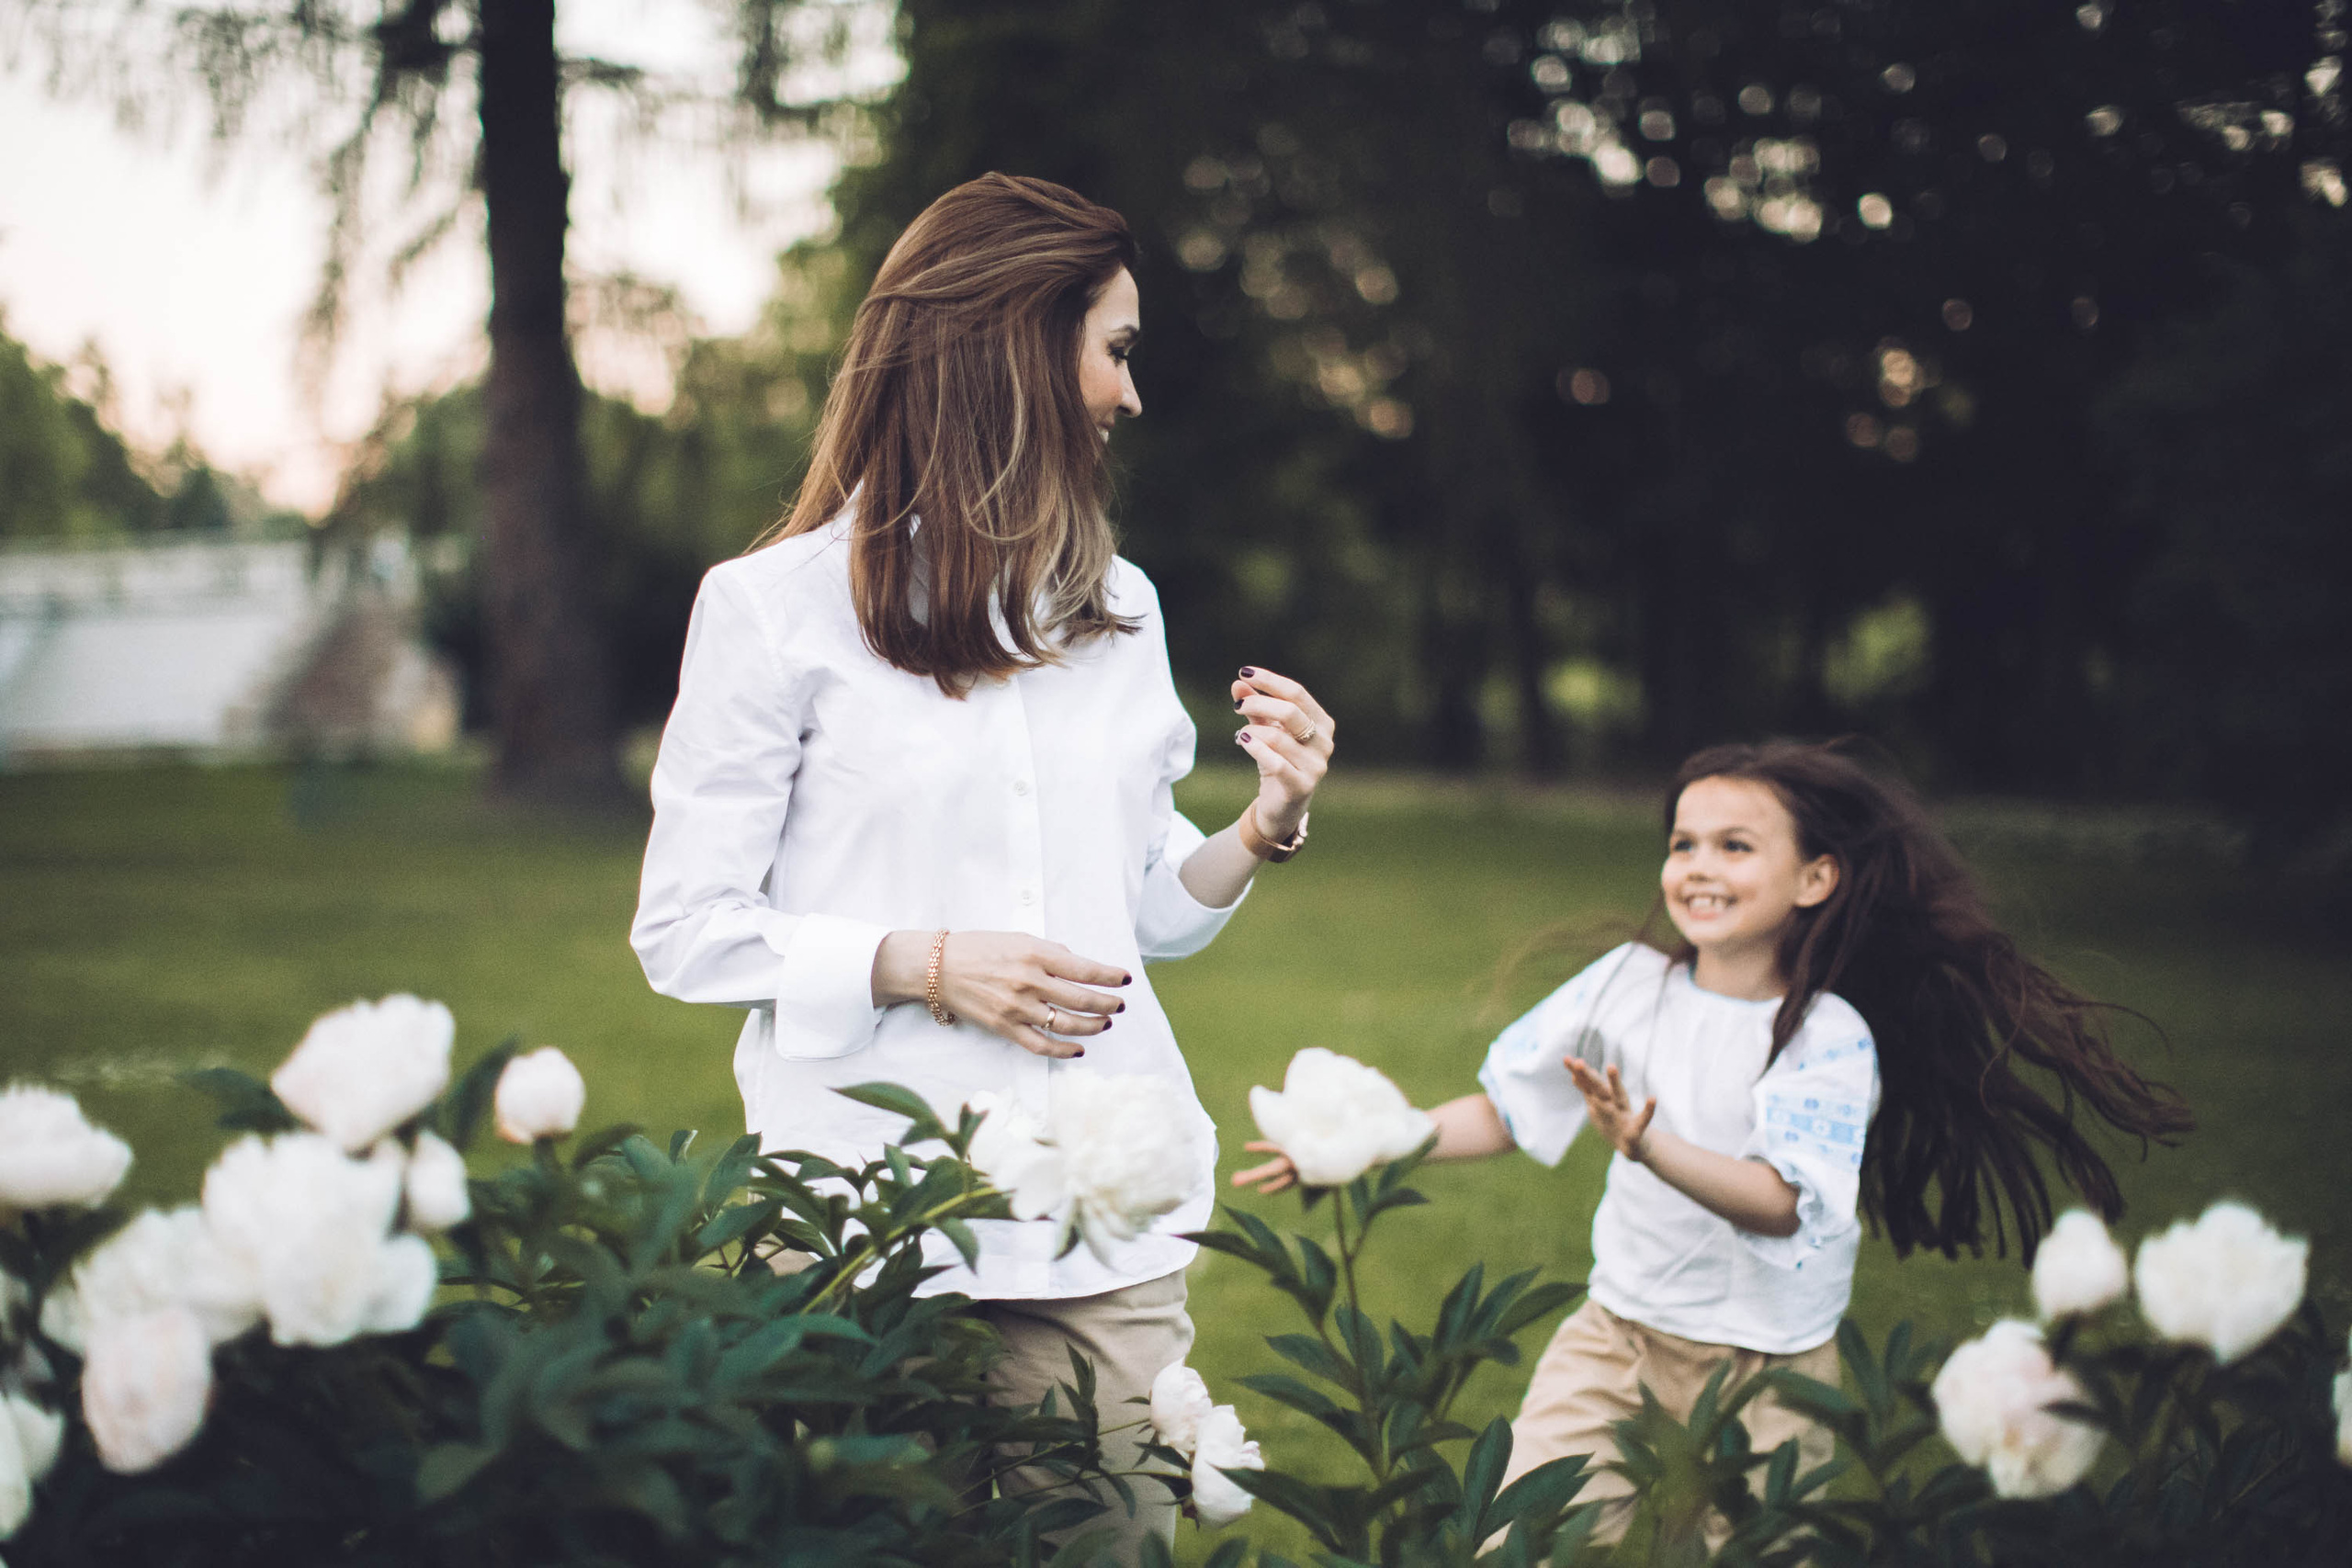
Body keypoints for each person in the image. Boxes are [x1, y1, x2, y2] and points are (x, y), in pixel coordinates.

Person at [630, 174, 1334, 1552]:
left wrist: (1266, 823)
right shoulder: (770, 611)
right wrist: (922, 962)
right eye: (1116, 348)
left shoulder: (1121, 606)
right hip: (867, 1214)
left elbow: (1141, 916)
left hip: (1102, 1220)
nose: (1132, 395)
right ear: (1012, 348)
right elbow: (685, 929)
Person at [1236, 739, 2190, 1541]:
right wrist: (1371, 1141)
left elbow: (1781, 1205)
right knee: (1506, 1540)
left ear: (1816, 878)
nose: (1697, 865)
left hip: (1771, 1369)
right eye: (1683, 842)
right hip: (1615, 1340)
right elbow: (1507, 1107)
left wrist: (1649, 1150)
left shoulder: (1827, 1037)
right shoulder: (1624, 986)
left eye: (1735, 846)